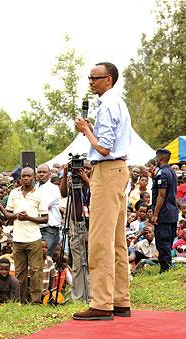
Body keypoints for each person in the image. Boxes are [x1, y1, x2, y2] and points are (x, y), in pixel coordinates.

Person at [73, 62, 131, 320]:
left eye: (94, 78)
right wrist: (92, 130)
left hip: (107, 171)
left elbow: (105, 148)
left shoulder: (106, 105)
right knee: (117, 240)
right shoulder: (117, 103)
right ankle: (120, 300)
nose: (91, 82)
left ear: (108, 79)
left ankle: (102, 303)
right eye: (90, 78)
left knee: (99, 241)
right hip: (119, 170)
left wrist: (86, 130)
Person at [4, 167, 48, 304]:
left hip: (34, 238)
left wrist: (29, 218)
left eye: (29, 176)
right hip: (17, 239)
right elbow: (8, 214)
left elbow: (45, 218)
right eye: (24, 176)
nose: (26, 178)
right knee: (20, 272)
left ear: (34, 177)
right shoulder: (14, 193)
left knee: (36, 271)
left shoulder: (40, 194)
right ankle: (22, 301)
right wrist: (17, 216)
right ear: (20, 178)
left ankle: (35, 301)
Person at [152, 148, 178, 273]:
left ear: (160, 158)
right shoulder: (171, 172)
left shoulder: (162, 173)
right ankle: (167, 266)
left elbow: (161, 195)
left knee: (162, 242)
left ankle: (165, 269)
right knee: (168, 241)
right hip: (172, 212)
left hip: (164, 213)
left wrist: (155, 214)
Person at [36, 164, 62, 257]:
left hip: (49, 229)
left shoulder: (53, 188)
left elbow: (42, 206)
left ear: (49, 174)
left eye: (44, 172)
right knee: (36, 258)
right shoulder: (34, 188)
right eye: (39, 172)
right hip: (36, 228)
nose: (41, 174)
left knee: (44, 257)